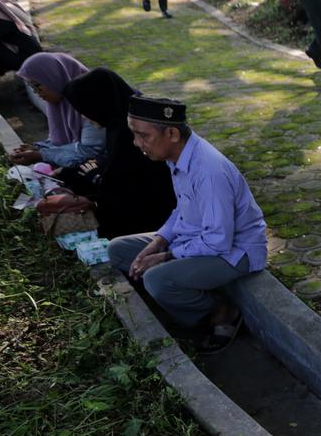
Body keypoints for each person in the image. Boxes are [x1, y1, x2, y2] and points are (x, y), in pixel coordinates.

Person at [107, 97, 267, 353]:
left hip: (234, 252)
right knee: (118, 249)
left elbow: (218, 240)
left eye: (143, 136)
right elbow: (183, 209)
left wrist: (167, 256)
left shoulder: (209, 171)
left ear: (171, 133)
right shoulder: (177, 155)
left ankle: (222, 312)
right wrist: (159, 241)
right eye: (134, 135)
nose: (137, 144)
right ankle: (180, 300)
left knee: (157, 280)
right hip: (196, 238)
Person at [13, 67, 178, 239]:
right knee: (74, 180)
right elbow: (115, 168)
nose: (85, 117)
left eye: (85, 110)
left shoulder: (132, 132)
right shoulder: (119, 121)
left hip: (153, 210)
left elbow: (129, 187)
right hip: (136, 193)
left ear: (98, 102)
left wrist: (93, 184)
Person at [12, 52, 107, 168]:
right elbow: (60, 140)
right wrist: (39, 147)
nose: (36, 92)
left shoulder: (90, 102)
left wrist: (41, 155)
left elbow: (89, 151)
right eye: (31, 87)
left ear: (55, 78)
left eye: (37, 85)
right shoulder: (60, 104)